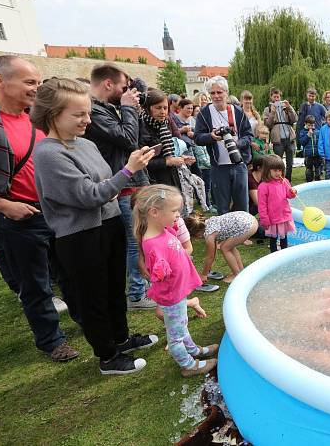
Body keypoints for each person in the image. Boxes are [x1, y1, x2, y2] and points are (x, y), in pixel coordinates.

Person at [32, 78, 159, 374]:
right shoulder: (49, 153)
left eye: (87, 112)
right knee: (93, 297)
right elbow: (89, 195)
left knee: (114, 288)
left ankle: (121, 339)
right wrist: (128, 171)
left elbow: (103, 186)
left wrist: (111, 185)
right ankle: (107, 356)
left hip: (109, 222)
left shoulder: (85, 143)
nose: (87, 120)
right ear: (53, 115)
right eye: (78, 115)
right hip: (81, 236)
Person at [0, 55, 79, 362]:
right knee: (36, 284)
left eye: (38, 81)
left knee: (70, 273)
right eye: (29, 82)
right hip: (19, 216)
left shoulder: (36, 116)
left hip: (56, 209)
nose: (37, 88)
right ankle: (51, 340)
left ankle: (84, 320)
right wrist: (3, 205)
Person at [85, 63, 156, 310]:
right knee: (134, 240)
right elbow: (127, 140)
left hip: (134, 181)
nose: (127, 92)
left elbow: (137, 138)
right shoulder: (94, 111)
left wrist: (131, 105)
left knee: (142, 237)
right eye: (124, 87)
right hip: (121, 185)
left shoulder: (110, 108)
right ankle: (136, 294)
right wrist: (127, 107)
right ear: (108, 84)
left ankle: (143, 287)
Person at [133, 185, 218, 377]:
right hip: (171, 296)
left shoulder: (162, 231)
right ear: (154, 212)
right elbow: (158, 273)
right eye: (174, 211)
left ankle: (195, 350)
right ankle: (189, 365)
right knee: (176, 335)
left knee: (182, 324)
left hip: (178, 292)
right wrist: (160, 268)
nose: (178, 215)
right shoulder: (152, 243)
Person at [194, 76, 253, 214]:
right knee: (222, 205)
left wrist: (237, 144)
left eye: (219, 92)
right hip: (218, 166)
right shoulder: (204, 113)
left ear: (226, 92)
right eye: (213, 93)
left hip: (239, 163)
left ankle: (243, 234)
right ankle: (226, 234)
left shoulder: (237, 111)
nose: (216, 96)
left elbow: (249, 135)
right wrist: (211, 136)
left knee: (242, 204)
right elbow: (197, 137)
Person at [190, 211, 259, 284]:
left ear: (196, 233)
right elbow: (213, 251)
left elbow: (210, 256)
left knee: (225, 248)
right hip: (249, 219)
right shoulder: (209, 222)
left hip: (248, 225)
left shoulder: (209, 235)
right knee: (229, 247)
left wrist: (204, 274)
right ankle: (241, 271)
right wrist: (207, 269)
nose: (197, 239)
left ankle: (236, 275)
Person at [139, 90, 188, 188]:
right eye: (158, 108)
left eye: (165, 108)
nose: (162, 112)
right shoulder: (140, 126)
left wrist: (182, 157)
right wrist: (167, 161)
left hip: (172, 177)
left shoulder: (167, 122)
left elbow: (175, 144)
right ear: (148, 108)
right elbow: (139, 162)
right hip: (153, 182)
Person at [257, 154, 296, 253]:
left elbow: (289, 195)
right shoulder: (264, 186)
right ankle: (274, 255)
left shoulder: (284, 181)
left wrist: (292, 192)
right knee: (273, 238)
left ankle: (284, 254)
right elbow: (262, 205)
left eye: (280, 170)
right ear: (267, 170)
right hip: (273, 218)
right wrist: (264, 219)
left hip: (284, 215)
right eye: (275, 170)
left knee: (284, 237)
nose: (278, 173)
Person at [262, 87, 297, 181]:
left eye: (278, 97)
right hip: (278, 140)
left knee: (290, 163)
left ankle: (288, 180)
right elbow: (267, 124)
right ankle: (279, 179)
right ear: (271, 97)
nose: (277, 99)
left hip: (289, 139)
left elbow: (294, 119)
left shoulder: (285, 107)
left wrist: (289, 108)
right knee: (278, 162)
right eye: (275, 97)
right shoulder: (267, 109)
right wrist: (273, 112)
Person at [299, 115, 322, 182]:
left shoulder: (317, 132)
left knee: (318, 167)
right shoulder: (302, 132)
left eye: (312, 125)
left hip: (317, 154)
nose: (311, 127)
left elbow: (320, 142)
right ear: (305, 124)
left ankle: (318, 179)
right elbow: (302, 142)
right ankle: (309, 180)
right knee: (309, 168)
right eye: (309, 125)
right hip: (308, 154)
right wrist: (308, 135)